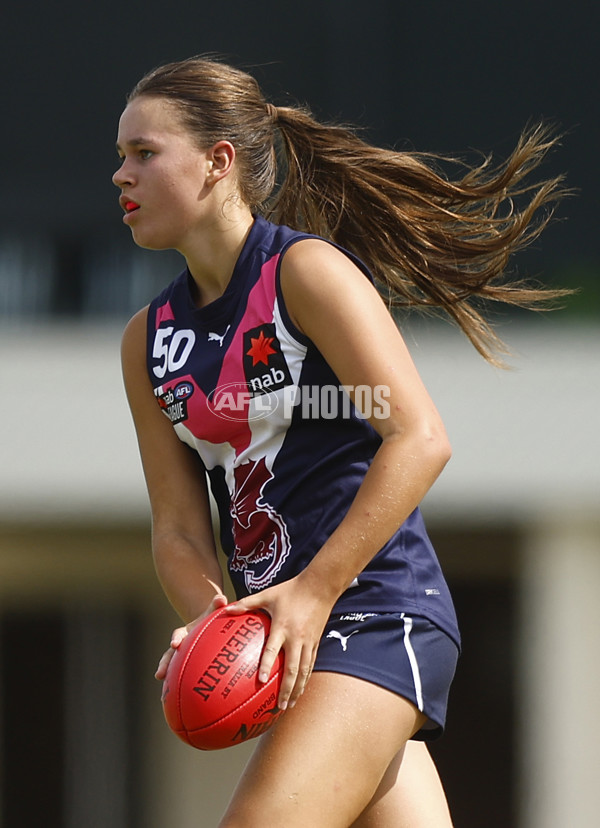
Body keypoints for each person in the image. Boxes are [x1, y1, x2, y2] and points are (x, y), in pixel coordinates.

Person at [114, 55, 568, 827]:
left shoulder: (306, 273)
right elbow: (179, 527)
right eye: (120, 156)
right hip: (294, 640)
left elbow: (419, 437)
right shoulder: (146, 342)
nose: (121, 175)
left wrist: (313, 594)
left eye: (144, 154)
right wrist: (219, 625)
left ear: (219, 162)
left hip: (372, 614)